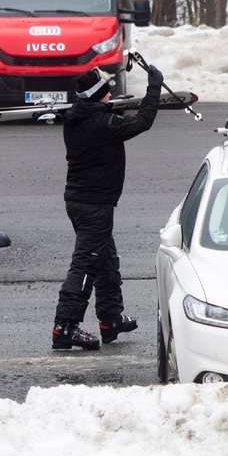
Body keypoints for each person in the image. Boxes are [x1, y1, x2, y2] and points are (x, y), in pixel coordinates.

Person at [51, 64, 164, 350]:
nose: (111, 93)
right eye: (106, 91)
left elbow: (109, 117)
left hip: (81, 201)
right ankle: (65, 327)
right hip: (94, 205)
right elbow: (142, 122)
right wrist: (154, 87)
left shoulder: (79, 116)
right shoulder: (101, 124)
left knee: (106, 261)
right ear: (97, 95)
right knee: (87, 264)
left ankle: (110, 320)